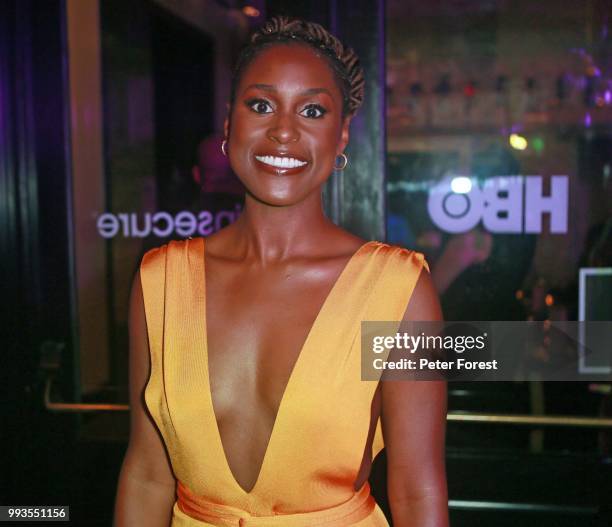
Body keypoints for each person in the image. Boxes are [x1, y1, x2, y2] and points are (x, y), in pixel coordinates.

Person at [114, 16, 448, 527]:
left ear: (341, 137)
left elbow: (417, 491)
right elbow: (146, 474)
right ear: (230, 125)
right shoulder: (159, 282)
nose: (284, 130)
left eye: (312, 110)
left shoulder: (400, 290)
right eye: (261, 104)